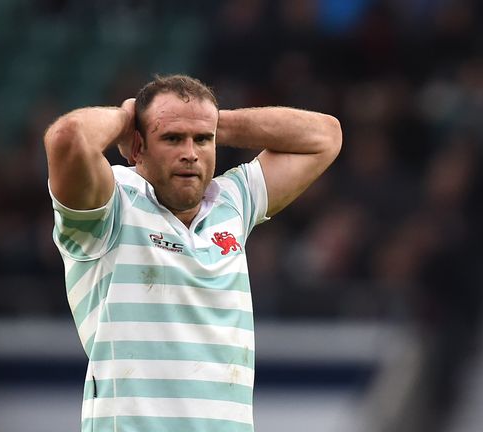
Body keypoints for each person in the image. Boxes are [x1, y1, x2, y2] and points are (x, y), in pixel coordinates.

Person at [44, 74, 341, 432]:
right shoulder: (110, 208)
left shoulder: (233, 203)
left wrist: (216, 122)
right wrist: (126, 119)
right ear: (138, 147)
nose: (190, 152)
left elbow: (326, 136)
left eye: (202, 140)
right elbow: (67, 137)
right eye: (171, 138)